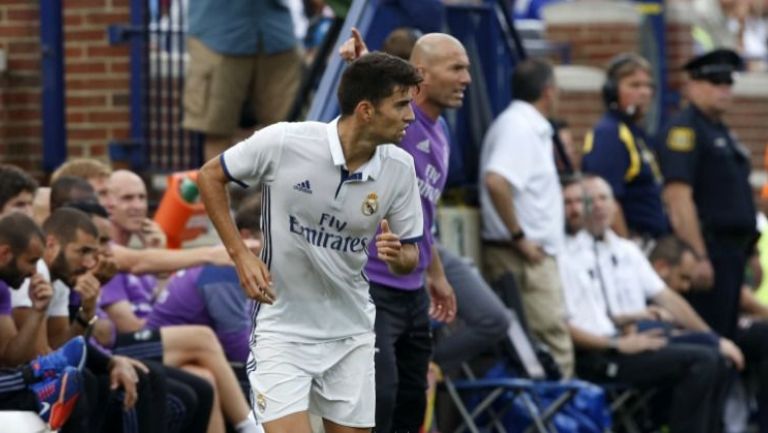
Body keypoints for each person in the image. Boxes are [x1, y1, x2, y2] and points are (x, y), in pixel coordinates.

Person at [198, 52, 424, 433]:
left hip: (350, 334)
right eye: (401, 105)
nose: (410, 116)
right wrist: (240, 256)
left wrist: (398, 256)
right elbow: (209, 176)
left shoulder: (400, 169)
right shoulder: (284, 142)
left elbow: (411, 255)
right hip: (282, 330)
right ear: (367, 110)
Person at [560, 175, 732, 433]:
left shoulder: (619, 249)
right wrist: (619, 342)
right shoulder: (567, 255)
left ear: (615, 205)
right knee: (703, 360)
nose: (595, 206)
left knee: (716, 353)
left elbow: (606, 313)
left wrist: (632, 318)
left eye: (603, 198)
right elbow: (568, 324)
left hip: (622, 337)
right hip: (601, 354)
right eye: (583, 201)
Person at [478, 58, 574, 377]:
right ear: (548, 91)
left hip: (527, 257)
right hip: (523, 260)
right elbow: (496, 180)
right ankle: (563, 422)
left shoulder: (524, 126)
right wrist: (520, 237)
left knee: (542, 349)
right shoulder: (519, 128)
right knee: (551, 344)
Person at [658, 48, 757, 339]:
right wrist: (698, 256)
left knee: (730, 332)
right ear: (691, 86)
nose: (724, 91)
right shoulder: (684, 131)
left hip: (733, 252)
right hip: (708, 249)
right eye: (715, 83)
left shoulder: (722, 132)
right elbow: (678, 198)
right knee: (711, 338)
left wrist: (749, 252)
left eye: (728, 84)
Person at [183, 0, 303, 161]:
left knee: (287, 133)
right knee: (217, 130)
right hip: (217, 35)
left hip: (275, 34)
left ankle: (277, 186)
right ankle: (218, 185)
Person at [581, 53, 668, 240]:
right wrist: (626, 250)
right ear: (612, 91)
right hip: (632, 242)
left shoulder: (636, 132)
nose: (644, 92)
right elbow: (607, 199)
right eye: (635, 85)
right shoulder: (609, 133)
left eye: (648, 86)